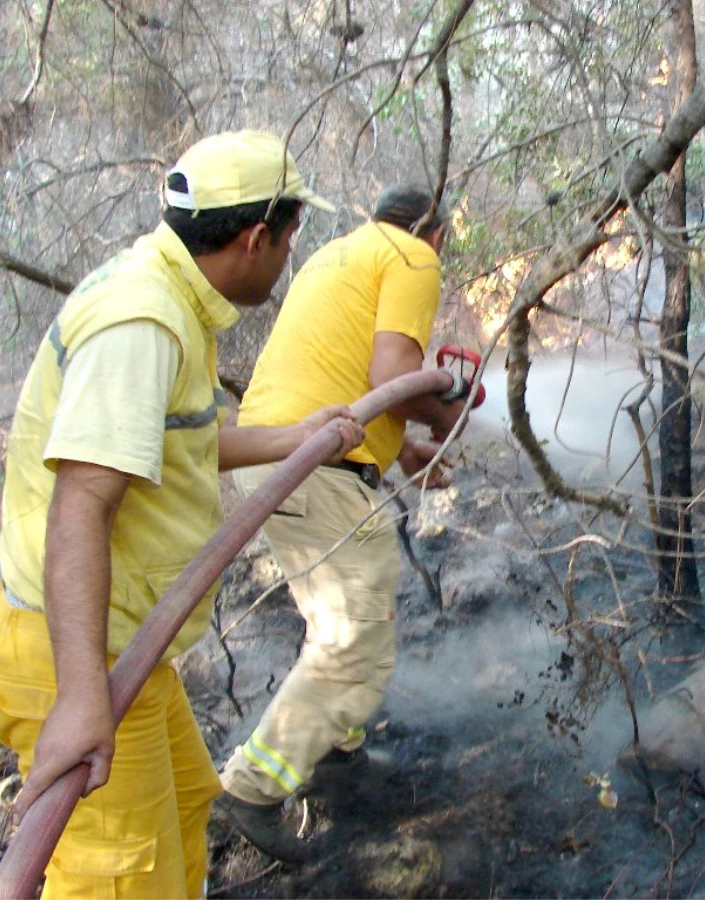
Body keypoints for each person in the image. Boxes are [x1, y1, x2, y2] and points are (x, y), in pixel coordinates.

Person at [0, 130, 365, 898]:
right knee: (121, 879)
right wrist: (84, 699)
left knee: (189, 805)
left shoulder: (169, 299)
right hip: (75, 656)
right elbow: (81, 508)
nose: (289, 255)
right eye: (291, 237)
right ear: (257, 237)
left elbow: (176, 441)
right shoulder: (142, 323)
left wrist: (298, 439)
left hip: (122, 649)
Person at [216, 184, 468, 861]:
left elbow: (347, 375)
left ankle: (334, 753)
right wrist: (448, 414)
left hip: (271, 450)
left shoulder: (340, 253)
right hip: (311, 460)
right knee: (354, 641)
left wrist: (404, 449)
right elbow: (395, 373)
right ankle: (252, 787)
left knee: (338, 619)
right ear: (435, 233)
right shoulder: (415, 258)